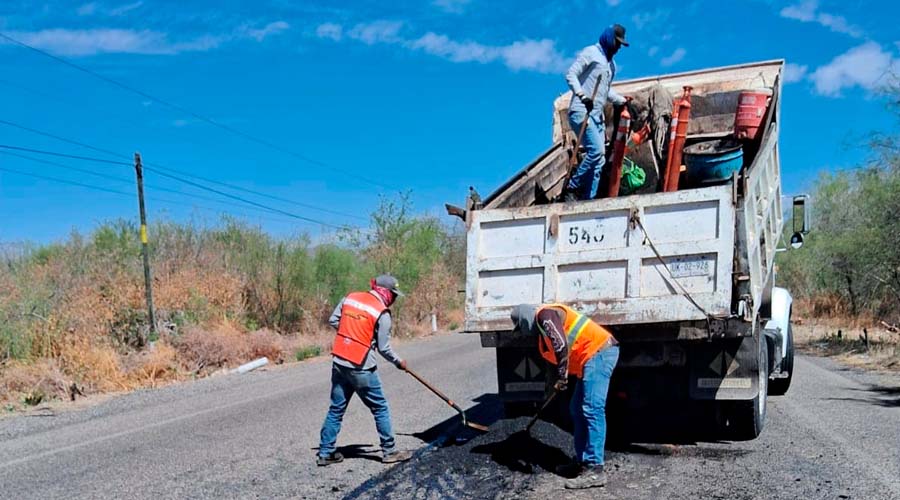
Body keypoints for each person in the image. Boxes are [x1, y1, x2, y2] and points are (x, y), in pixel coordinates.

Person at [510, 303, 620, 490]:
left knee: (592, 409)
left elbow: (561, 344)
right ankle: (583, 462)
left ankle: (595, 469)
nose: (524, 332)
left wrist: (562, 375)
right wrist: (556, 384)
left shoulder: (545, 315)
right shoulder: (542, 336)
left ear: (525, 319)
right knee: (576, 410)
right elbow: (556, 356)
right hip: (589, 360)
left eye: (521, 327)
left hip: (599, 353)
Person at [316, 275, 413, 466]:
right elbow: (384, 348)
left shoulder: (350, 298)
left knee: (336, 408)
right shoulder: (382, 313)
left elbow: (334, 320)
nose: (394, 299)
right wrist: (399, 362)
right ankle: (389, 451)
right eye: (393, 295)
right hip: (361, 367)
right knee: (380, 408)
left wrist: (351, 335)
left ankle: (325, 452)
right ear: (384, 292)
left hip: (340, 361)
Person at [564, 24, 630, 201]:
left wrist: (622, 100)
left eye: (620, 45)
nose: (617, 48)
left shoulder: (611, 66)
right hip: (581, 111)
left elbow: (605, 90)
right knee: (597, 151)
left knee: (599, 161)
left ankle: (589, 198)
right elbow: (571, 75)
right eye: (616, 43)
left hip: (596, 116)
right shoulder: (591, 52)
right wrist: (582, 96)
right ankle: (572, 187)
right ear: (609, 38)